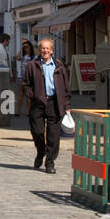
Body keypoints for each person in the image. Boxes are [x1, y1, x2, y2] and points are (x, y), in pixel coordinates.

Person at [20, 39, 70, 173]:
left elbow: (65, 87)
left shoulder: (59, 65)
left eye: (48, 49)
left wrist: (66, 104)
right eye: (43, 48)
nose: (45, 51)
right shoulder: (33, 65)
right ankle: (40, 151)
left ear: (52, 50)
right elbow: (25, 84)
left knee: (53, 135)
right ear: (39, 50)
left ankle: (50, 162)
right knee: (37, 131)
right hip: (38, 103)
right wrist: (33, 95)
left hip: (55, 103)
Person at [15, 40, 35, 116]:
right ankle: (18, 112)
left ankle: (28, 112)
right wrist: (21, 48)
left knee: (28, 96)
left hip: (30, 78)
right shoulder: (23, 56)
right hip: (21, 77)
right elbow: (17, 58)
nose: (26, 48)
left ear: (30, 47)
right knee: (20, 95)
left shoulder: (34, 57)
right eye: (25, 47)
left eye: (27, 47)